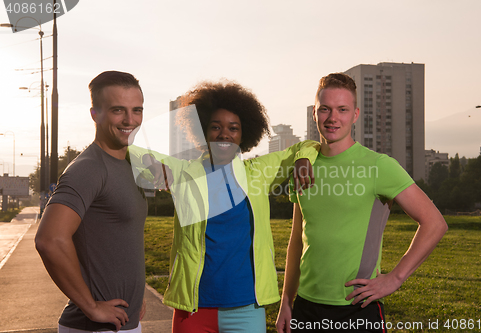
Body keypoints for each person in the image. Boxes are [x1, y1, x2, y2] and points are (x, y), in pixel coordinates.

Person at [129, 80, 319, 333]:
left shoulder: (257, 173)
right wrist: (151, 166)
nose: (224, 134)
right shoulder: (185, 173)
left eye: (233, 128)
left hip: (246, 309)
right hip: (193, 310)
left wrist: (304, 158)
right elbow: (138, 155)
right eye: (215, 127)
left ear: (244, 134)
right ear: (204, 131)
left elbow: (308, 145)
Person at [276, 73, 448, 333]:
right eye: (325, 109)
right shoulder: (304, 166)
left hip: (356, 308)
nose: (333, 118)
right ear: (315, 113)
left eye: (342, 110)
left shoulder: (379, 166)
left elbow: (434, 223)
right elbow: (297, 240)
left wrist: (395, 278)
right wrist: (286, 301)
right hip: (306, 308)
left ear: (355, 115)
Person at [35, 71, 148, 333]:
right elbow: (49, 240)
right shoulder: (89, 168)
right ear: (95, 114)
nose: (130, 120)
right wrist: (91, 306)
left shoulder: (127, 164)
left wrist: (136, 294)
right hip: (94, 327)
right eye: (118, 110)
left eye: (137, 110)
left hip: (122, 323)